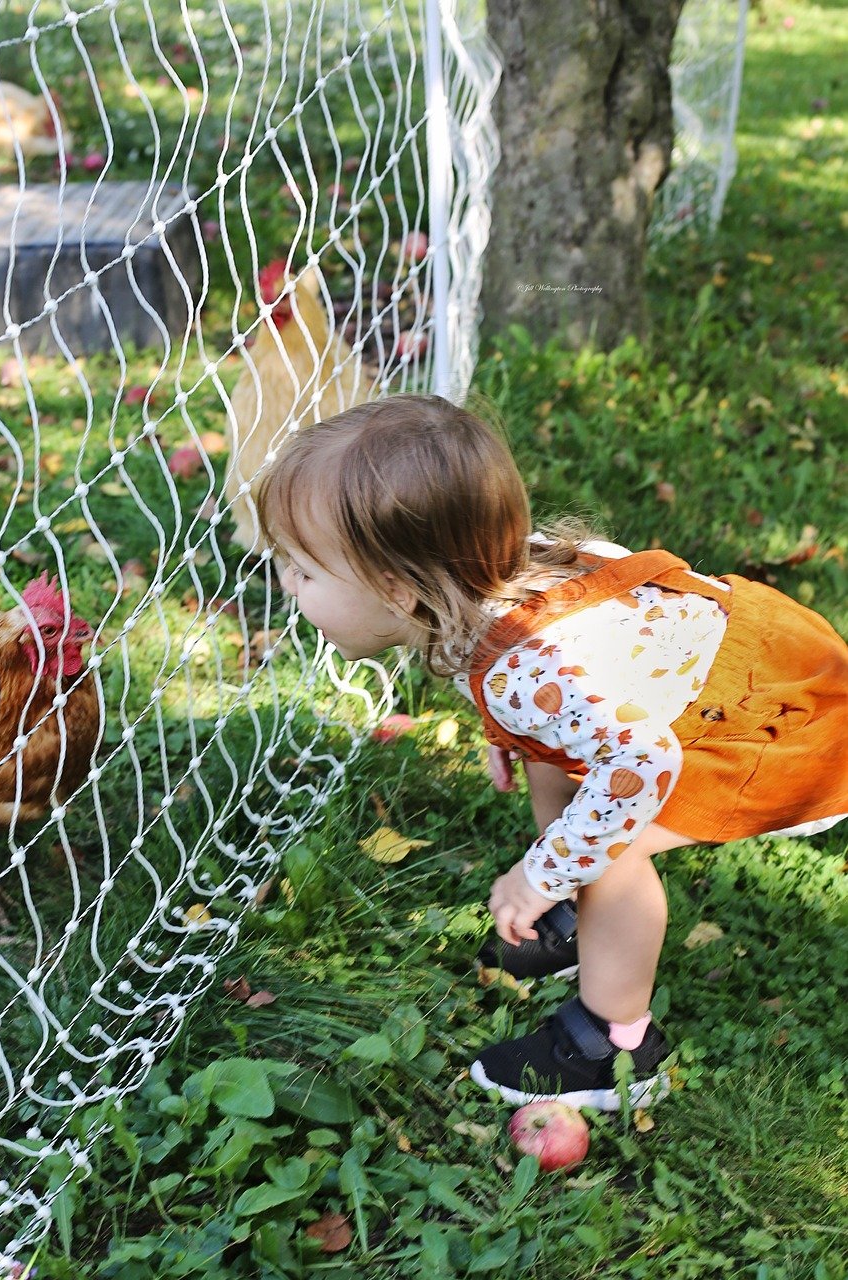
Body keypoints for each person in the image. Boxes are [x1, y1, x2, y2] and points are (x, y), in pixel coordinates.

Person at [255, 393, 848, 1111]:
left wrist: (543, 873)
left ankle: (613, 1043)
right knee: (567, 783)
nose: (288, 585)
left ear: (395, 589)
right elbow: (592, 678)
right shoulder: (499, 580)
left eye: (304, 573)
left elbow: (637, 767)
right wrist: (523, 735)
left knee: (610, 851)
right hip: (756, 668)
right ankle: (577, 923)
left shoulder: (525, 670)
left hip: (789, 728)